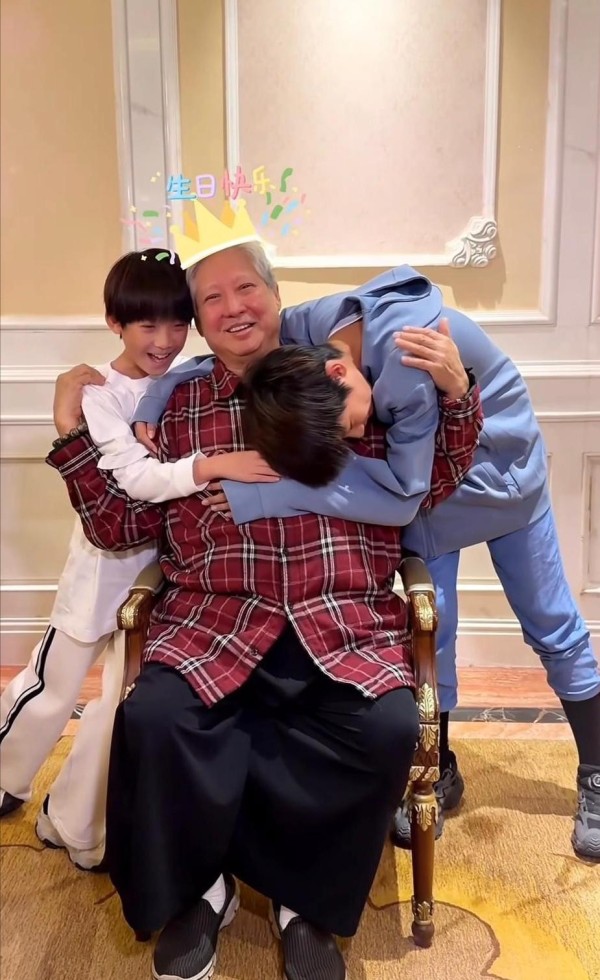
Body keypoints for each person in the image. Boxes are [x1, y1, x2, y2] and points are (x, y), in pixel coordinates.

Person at [47, 241, 482, 980]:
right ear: (198, 320)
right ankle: (200, 891)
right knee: (156, 718)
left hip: (340, 620)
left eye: (246, 288)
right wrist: (69, 431)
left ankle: (303, 902)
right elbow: (119, 526)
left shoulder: (341, 376)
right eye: (211, 299)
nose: (233, 308)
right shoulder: (173, 405)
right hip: (212, 622)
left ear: (277, 298)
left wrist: (455, 391)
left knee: (384, 727)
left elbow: (430, 482)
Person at [133, 263, 600, 862]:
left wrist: (270, 495)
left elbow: (406, 491)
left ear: (338, 372)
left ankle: (595, 770)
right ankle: (439, 764)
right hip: (429, 493)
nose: (354, 437)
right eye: (215, 298)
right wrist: (156, 392)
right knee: (436, 626)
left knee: (551, 622)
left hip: (497, 479)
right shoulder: (310, 329)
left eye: (247, 287)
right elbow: (226, 363)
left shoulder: (405, 363)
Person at [0, 248, 279, 870]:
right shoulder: (98, 393)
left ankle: (72, 820)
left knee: (114, 710)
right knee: (50, 687)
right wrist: (212, 466)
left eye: (177, 324)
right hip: (100, 571)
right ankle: (4, 775)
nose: (164, 340)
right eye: (147, 325)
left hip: (161, 578)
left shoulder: (185, 383)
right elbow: (134, 482)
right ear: (115, 323)